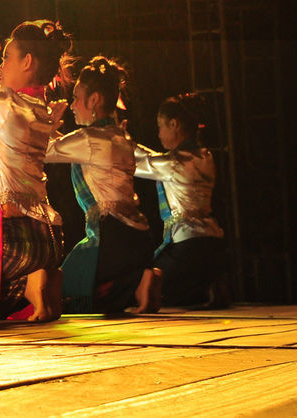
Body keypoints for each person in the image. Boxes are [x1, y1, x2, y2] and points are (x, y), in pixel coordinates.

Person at [0, 21, 72, 322]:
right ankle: (38, 279)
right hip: (48, 236)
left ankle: (31, 282)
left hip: (13, 237)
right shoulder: (40, 108)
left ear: (27, 61)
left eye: (7, 57)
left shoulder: (7, 105)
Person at [45, 56, 160, 315]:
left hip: (110, 239)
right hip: (138, 239)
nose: (72, 105)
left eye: (76, 97)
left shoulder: (87, 139)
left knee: (62, 292)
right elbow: (73, 149)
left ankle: (135, 285)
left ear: (94, 100)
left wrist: (46, 125)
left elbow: (42, 150)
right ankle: (137, 281)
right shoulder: (122, 137)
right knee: (100, 297)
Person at [134, 93, 229, 307]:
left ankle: (199, 288)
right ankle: (208, 285)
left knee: (145, 284)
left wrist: (119, 141)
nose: (158, 134)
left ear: (174, 124)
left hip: (187, 248)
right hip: (213, 244)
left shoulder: (173, 164)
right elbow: (155, 159)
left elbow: (138, 162)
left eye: (160, 127)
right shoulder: (206, 156)